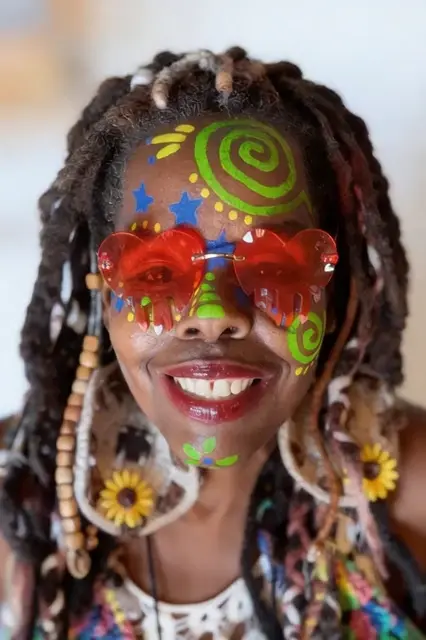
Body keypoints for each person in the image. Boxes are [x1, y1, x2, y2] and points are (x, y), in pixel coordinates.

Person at [0, 46, 425, 640]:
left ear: (334, 292)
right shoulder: (21, 501)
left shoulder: (411, 491)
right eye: (155, 271)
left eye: (274, 267)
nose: (213, 316)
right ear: (103, 290)